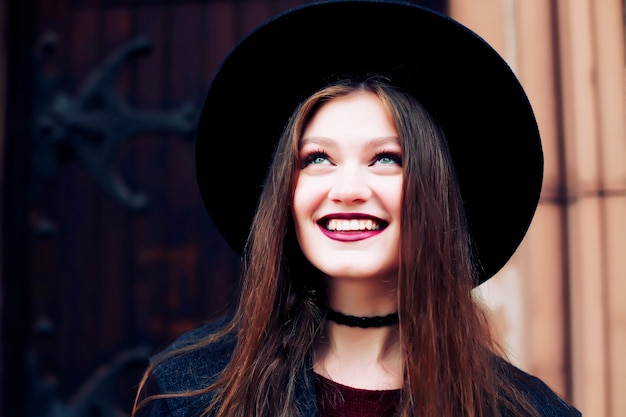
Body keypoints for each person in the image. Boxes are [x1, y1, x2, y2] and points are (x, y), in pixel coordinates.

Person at [133, 1, 582, 416]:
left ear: (436, 192)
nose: (347, 189)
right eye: (317, 159)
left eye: (386, 158)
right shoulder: (188, 394)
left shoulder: (528, 411)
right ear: (285, 197)